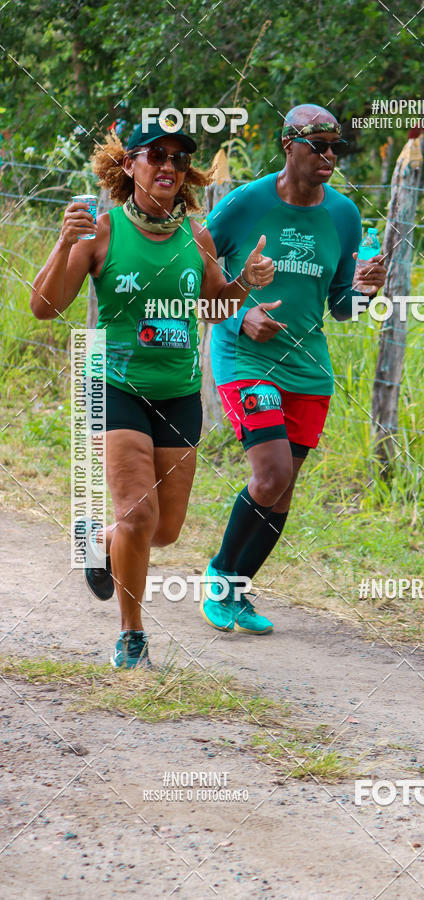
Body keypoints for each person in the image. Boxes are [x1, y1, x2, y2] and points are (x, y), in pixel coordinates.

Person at [30, 120, 274, 667]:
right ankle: (132, 635)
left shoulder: (198, 235)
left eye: (179, 159)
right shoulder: (102, 231)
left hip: (180, 393)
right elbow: (46, 307)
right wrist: (64, 242)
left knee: (162, 532)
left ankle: (101, 538)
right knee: (139, 517)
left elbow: (213, 308)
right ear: (129, 165)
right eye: (155, 155)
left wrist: (246, 284)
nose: (168, 165)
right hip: (113, 387)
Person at [201, 103, 387, 635]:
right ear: (289, 145)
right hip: (244, 355)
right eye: (318, 146)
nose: (330, 156)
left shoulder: (344, 215)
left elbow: (340, 304)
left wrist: (366, 291)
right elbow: (195, 280)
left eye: (337, 148)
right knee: (271, 473)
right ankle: (219, 577)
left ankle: (239, 593)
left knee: (284, 488)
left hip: (308, 364)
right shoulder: (244, 204)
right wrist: (240, 315)